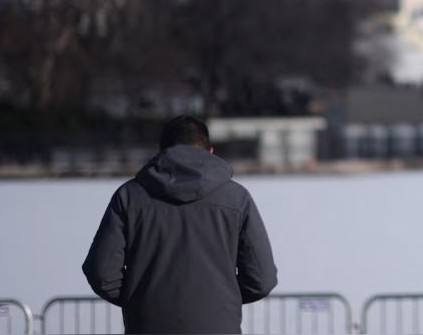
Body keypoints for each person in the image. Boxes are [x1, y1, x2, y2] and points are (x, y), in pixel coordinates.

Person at [82, 115, 278, 334]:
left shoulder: (129, 196)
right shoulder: (237, 198)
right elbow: (262, 279)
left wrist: (141, 300)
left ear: (160, 150)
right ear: (210, 151)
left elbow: (101, 273)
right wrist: (219, 302)